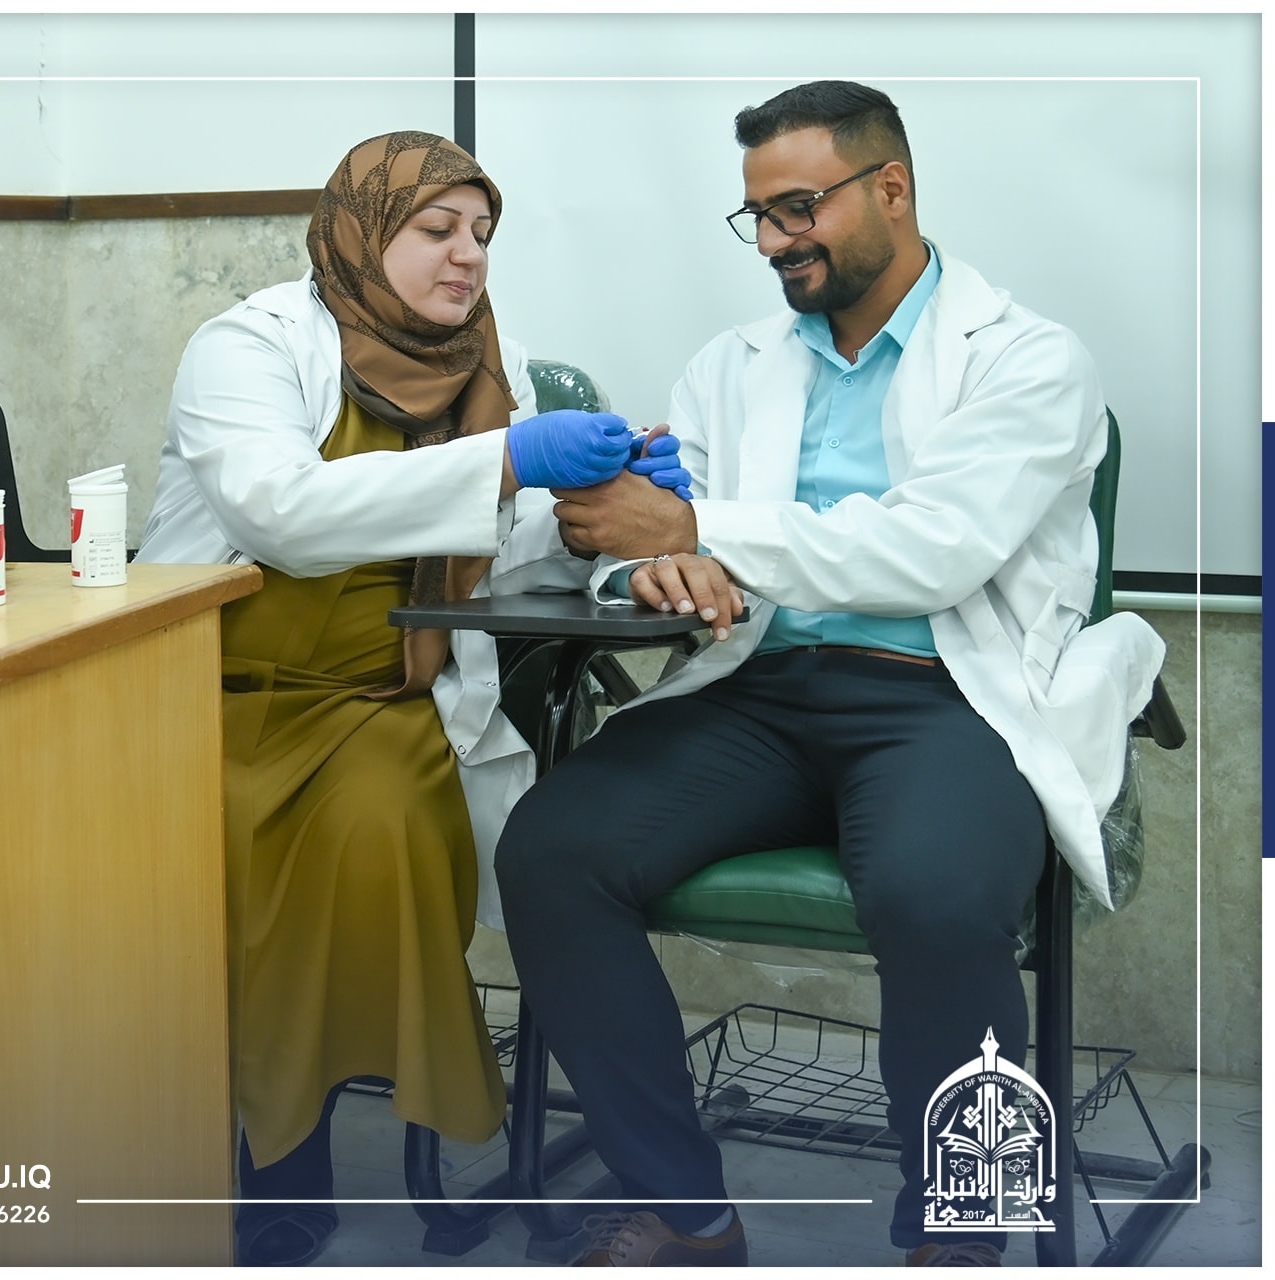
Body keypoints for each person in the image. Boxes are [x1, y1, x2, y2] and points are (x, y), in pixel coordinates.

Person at [495, 81, 1164, 1267]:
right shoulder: (731, 363)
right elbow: (645, 536)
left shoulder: (1028, 359)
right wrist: (650, 568)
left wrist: (695, 527)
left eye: (800, 207)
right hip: (752, 688)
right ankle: (684, 1210)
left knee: (937, 896)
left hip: (946, 696)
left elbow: (929, 551)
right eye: (758, 215)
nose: (775, 239)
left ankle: (961, 1227)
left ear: (891, 188)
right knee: (552, 851)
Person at [136, 130, 689, 1266]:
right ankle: (261, 1147)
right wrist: (511, 460)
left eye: (482, 233)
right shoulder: (247, 348)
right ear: (360, 234)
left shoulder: (494, 365)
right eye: (438, 230)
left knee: (381, 823)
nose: (468, 256)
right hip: (211, 693)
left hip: (386, 698)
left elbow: (512, 553)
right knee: (190, 850)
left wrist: (608, 513)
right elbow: (281, 515)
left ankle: (331, 1147)